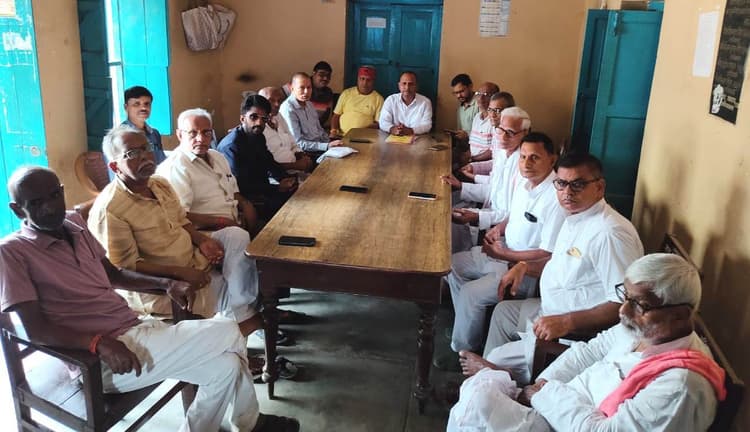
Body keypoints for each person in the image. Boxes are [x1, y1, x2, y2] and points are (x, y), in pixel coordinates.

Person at [0, 166, 300, 432]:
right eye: (35, 203)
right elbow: (34, 330)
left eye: (54, 195)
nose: (49, 207)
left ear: (62, 191)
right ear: (17, 210)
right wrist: (98, 343)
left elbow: (114, 275)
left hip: (135, 329)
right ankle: (252, 424)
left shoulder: (74, 224)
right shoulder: (13, 252)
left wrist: (166, 283)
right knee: (229, 330)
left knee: (227, 368)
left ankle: (235, 425)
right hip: (102, 361)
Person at [447, 253, 723, 432]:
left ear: (679, 315)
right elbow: (591, 350)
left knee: (478, 402)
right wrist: (540, 386)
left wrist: (543, 395)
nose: (623, 311)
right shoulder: (645, 328)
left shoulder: (680, 387)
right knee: (478, 396)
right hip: (557, 410)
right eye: (625, 296)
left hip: (565, 419)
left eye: (639, 304)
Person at [459, 153, 644, 386]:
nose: (567, 192)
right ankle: (485, 384)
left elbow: (624, 305)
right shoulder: (576, 216)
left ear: (599, 187)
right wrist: (524, 266)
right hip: (549, 308)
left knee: (496, 358)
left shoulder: (609, 234)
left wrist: (567, 322)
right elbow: (561, 262)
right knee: (503, 313)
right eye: (561, 183)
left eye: (577, 184)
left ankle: (500, 383)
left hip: (574, 333)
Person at [88, 125, 263, 338]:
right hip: (165, 286)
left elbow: (181, 220)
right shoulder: (111, 209)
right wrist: (177, 273)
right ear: (115, 166)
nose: (145, 156)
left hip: (193, 260)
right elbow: (123, 268)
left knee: (237, 236)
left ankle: (241, 314)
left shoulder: (159, 184)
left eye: (146, 148)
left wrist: (201, 240)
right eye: (132, 153)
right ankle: (241, 321)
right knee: (249, 291)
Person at [437, 133, 565, 370]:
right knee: (452, 264)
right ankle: (468, 325)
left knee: (470, 294)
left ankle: (465, 350)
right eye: (523, 157)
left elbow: (547, 254)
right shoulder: (526, 183)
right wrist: (498, 229)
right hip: (503, 250)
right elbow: (513, 215)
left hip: (522, 271)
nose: (526, 163)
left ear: (552, 159)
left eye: (535, 157)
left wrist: (503, 255)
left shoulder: (555, 198)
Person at [155, 108, 259, 234]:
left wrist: (245, 204)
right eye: (193, 133)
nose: (201, 139)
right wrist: (222, 221)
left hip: (235, 223)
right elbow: (179, 215)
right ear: (180, 135)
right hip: (205, 232)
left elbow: (233, 191)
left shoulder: (217, 157)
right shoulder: (176, 167)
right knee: (239, 236)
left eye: (206, 132)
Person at [443, 105, 530, 253]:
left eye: (510, 132)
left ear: (525, 133)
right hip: (490, 214)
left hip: (504, 235)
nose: (503, 137)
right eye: (501, 130)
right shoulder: (503, 153)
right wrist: (461, 186)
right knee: (447, 217)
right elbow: (493, 190)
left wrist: (477, 216)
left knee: (451, 228)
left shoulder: (524, 165)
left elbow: (513, 214)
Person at [219, 94, 298, 220]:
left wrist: (286, 178)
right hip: (245, 198)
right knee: (292, 208)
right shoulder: (232, 146)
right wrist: (277, 188)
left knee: (300, 193)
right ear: (242, 118)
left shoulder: (258, 136)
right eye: (253, 117)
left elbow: (270, 163)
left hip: (263, 190)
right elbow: (241, 185)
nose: (259, 122)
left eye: (264, 118)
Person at [280, 72, 343, 152]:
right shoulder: (288, 109)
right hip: (306, 152)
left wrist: (330, 142)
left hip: (320, 146)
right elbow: (297, 143)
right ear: (292, 89)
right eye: (302, 88)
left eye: (309, 87)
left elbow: (319, 130)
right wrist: (326, 146)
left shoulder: (309, 104)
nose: (306, 91)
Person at [257, 87, 314, 174]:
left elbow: (293, 144)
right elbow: (264, 166)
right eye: (271, 100)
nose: (277, 104)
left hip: (295, 171)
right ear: (259, 103)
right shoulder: (257, 128)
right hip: (276, 177)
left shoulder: (278, 117)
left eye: (279, 101)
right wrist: (295, 165)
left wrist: (302, 156)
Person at [329, 65, 384, 136]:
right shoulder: (346, 93)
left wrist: (360, 132)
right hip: (342, 136)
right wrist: (333, 130)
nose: (365, 83)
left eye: (368, 80)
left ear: (373, 81)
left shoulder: (378, 99)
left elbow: (378, 123)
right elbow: (336, 115)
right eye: (362, 79)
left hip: (364, 137)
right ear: (358, 79)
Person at [121, 86, 167, 164]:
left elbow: (162, 162)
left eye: (147, 104)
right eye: (137, 104)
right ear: (126, 107)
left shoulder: (154, 134)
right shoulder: (120, 135)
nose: (143, 108)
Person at [379, 71, 433, 136]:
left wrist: (410, 130)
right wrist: (392, 129)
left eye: (411, 84)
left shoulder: (425, 102)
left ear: (416, 86)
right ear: (399, 86)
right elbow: (383, 122)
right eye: (404, 83)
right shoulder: (391, 100)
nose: (407, 87)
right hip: (393, 137)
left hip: (417, 138)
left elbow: (427, 125)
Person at [464, 83, 504, 164]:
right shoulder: (476, 117)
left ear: (495, 98)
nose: (480, 98)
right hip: (472, 161)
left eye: (486, 94)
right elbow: (473, 143)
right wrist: (466, 156)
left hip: (484, 165)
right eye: (478, 94)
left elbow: (494, 150)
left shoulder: (496, 120)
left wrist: (472, 159)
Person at [450, 73, 479, 139]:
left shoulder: (480, 104)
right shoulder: (460, 107)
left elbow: (485, 131)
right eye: (456, 93)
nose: (459, 96)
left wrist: (467, 135)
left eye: (461, 91)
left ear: (470, 86)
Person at [309, 61, 337, 128]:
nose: (325, 78)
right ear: (314, 73)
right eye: (321, 74)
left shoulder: (328, 93)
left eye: (328, 75)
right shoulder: (300, 84)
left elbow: (325, 116)